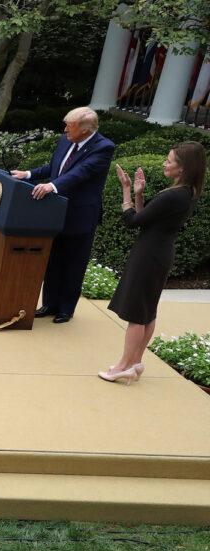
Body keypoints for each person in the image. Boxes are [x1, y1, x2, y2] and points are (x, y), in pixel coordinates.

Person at [99, 143, 205, 384]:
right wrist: (139, 194)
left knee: (137, 314)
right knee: (147, 312)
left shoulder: (172, 195)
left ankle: (123, 366)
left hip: (149, 256)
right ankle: (135, 362)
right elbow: (147, 220)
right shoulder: (187, 193)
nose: (165, 164)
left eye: (169, 161)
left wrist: (126, 190)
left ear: (183, 168)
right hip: (158, 253)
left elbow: (133, 221)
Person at [10, 106, 115, 323]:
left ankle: (66, 309)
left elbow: (80, 173)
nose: (65, 128)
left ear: (85, 130)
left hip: (80, 215)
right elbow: (55, 167)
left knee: (73, 263)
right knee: (53, 259)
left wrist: (52, 187)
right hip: (53, 212)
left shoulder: (103, 148)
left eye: (70, 125)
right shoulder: (66, 139)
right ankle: (49, 303)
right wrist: (28, 174)